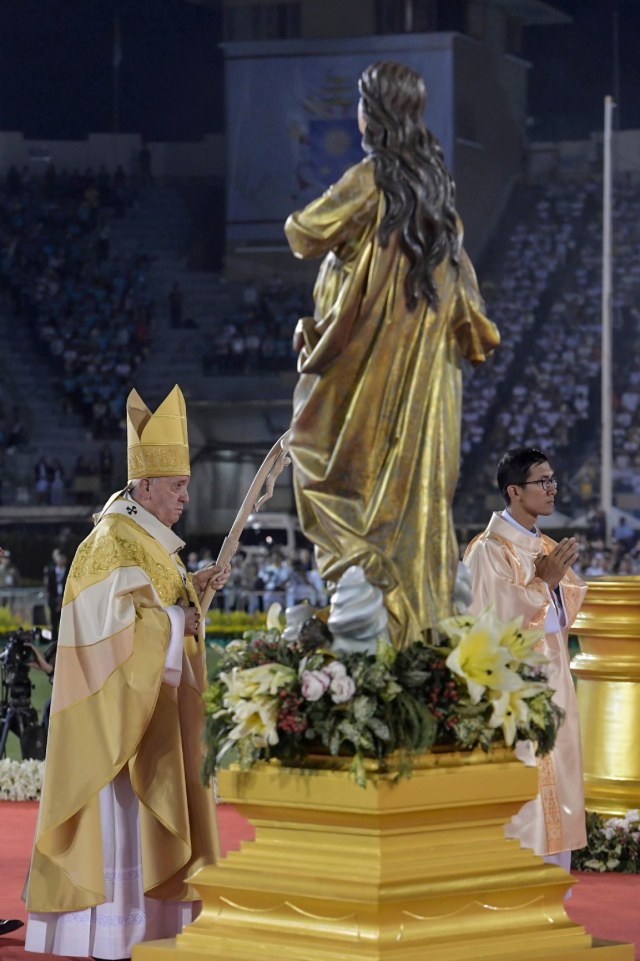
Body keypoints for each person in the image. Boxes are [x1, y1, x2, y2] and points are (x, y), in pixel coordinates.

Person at [284, 60, 499, 650]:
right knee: (414, 487)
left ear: (374, 112)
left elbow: (303, 233)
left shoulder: (373, 178)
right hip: (429, 376)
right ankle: (416, 618)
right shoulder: (436, 191)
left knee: (323, 464)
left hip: (373, 370)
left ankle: (374, 600)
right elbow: (467, 299)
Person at [25, 385, 230, 959]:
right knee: (122, 833)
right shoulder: (112, 540)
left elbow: (157, 608)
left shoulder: (151, 543)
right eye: (177, 486)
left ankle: (151, 933)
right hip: (119, 730)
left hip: (152, 715)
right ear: (144, 487)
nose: (186, 497)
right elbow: (106, 625)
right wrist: (176, 619)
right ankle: (117, 939)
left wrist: (195, 587)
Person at [463, 447, 586, 869]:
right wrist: (543, 585)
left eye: (553, 480)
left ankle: (556, 896)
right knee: (526, 792)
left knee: (559, 785)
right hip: (513, 693)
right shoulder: (488, 550)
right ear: (514, 491)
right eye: (542, 482)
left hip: (553, 684)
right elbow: (492, 625)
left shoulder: (546, 546)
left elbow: (567, 610)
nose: (552, 489)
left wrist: (552, 585)